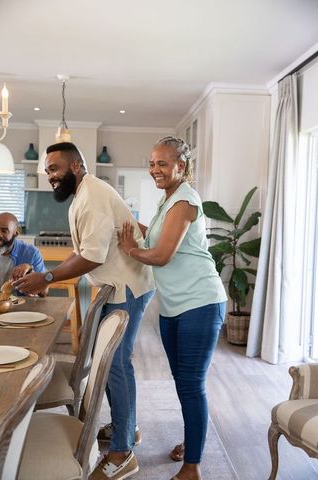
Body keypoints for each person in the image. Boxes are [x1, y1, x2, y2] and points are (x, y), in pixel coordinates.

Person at [14, 142, 155, 480]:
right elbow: (88, 252)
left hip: (128, 288)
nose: (50, 175)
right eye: (47, 170)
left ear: (76, 166)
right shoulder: (84, 194)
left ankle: (123, 453)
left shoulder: (91, 196)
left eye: (55, 168)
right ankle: (127, 427)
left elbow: (91, 256)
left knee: (116, 365)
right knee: (108, 362)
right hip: (116, 286)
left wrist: (45, 276)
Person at [118, 136, 227, 480]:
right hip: (175, 308)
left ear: (181, 166)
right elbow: (158, 239)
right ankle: (192, 441)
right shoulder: (168, 202)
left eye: (162, 163)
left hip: (201, 303)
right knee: (183, 382)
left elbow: (161, 256)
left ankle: (192, 466)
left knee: (191, 383)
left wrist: (129, 249)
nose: (155, 170)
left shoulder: (184, 200)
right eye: (152, 163)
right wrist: (128, 221)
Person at [0, 212, 47, 296]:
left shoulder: (31, 253)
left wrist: (30, 270)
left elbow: (44, 293)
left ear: (16, 234)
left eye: (4, 231)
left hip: (22, 306)